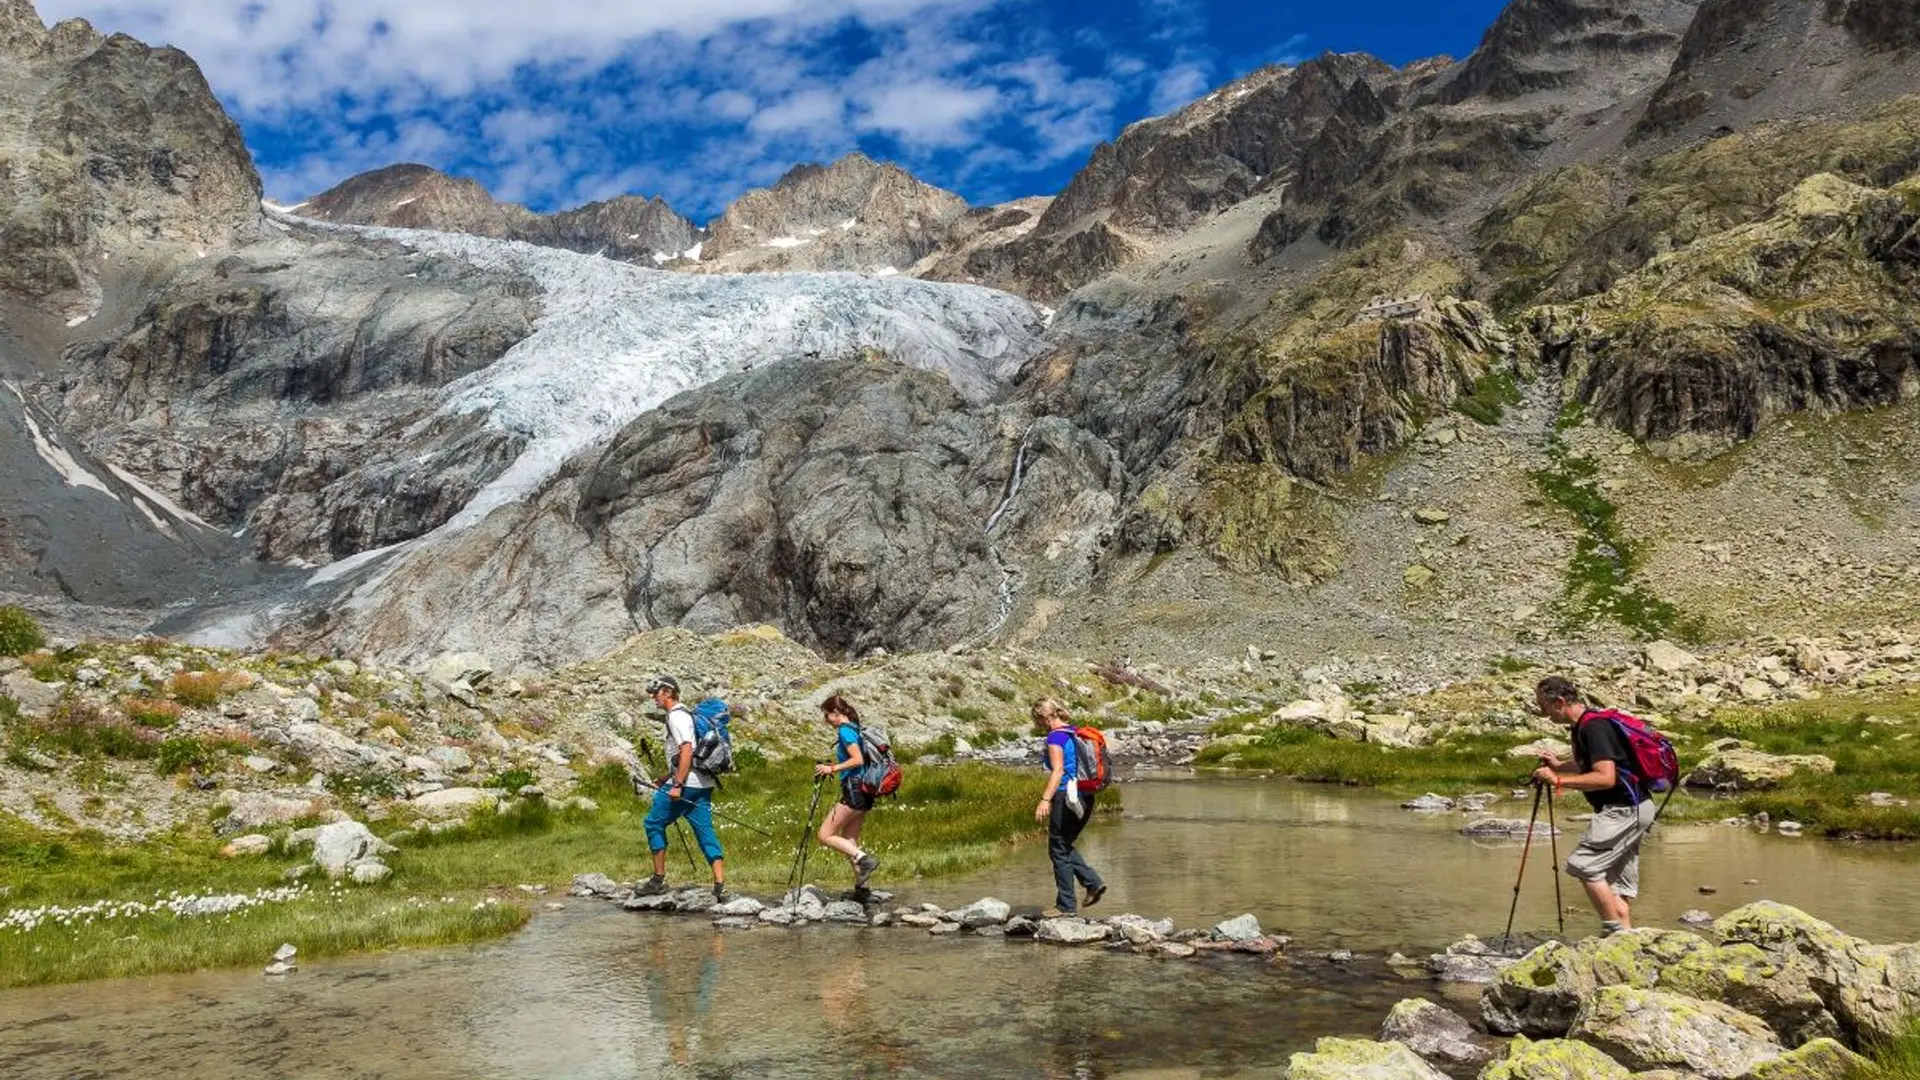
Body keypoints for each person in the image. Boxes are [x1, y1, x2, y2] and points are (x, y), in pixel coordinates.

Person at [1530, 675, 1658, 935]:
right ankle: (1625, 939)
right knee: (1614, 882)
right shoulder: (1585, 724)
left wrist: (1558, 780)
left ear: (1559, 702)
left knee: (1584, 865)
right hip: (1635, 808)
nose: (1543, 712)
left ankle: (1612, 931)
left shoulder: (1594, 728)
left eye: (1544, 705)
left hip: (1624, 809)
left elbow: (1605, 777)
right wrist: (1559, 765)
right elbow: (1592, 764)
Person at [637, 676, 726, 899]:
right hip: (703, 784)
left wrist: (676, 784)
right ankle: (720, 885)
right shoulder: (687, 714)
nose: (653, 697)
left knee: (653, 823)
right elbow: (686, 757)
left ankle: (658, 880)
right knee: (705, 832)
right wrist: (665, 777)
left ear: (668, 692)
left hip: (686, 785)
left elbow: (687, 750)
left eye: (656, 693)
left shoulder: (676, 716)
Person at [1032, 698, 1106, 918]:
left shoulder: (1055, 737)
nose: (1038, 725)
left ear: (1044, 718)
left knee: (1057, 848)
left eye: (1037, 721)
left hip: (1067, 796)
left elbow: (1058, 771)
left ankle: (1066, 906)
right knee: (1062, 845)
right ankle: (1092, 883)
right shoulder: (1074, 732)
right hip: (1086, 795)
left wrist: (1045, 800)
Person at [813, 694, 881, 889]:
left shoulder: (845, 731)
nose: (826, 721)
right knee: (849, 840)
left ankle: (865, 859)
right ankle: (862, 888)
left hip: (855, 789)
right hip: (865, 789)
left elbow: (857, 759)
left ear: (835, 712)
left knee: (824, 835)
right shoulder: (855, 728)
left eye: (826, 715)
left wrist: (832, 769)